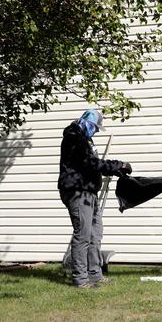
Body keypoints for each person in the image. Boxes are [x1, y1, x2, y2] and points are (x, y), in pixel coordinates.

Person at [58, 109, 132, 288]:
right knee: (83, 235)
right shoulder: (74, 139)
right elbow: (91, 164)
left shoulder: (83, 139)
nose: (97, 131)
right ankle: (80, 279)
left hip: (88, 193)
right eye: (96, 127)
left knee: (95, 233)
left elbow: (92, 165)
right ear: (87, 123)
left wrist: (116, 169)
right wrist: (117, 165)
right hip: (77, 192)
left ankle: (95, 275)